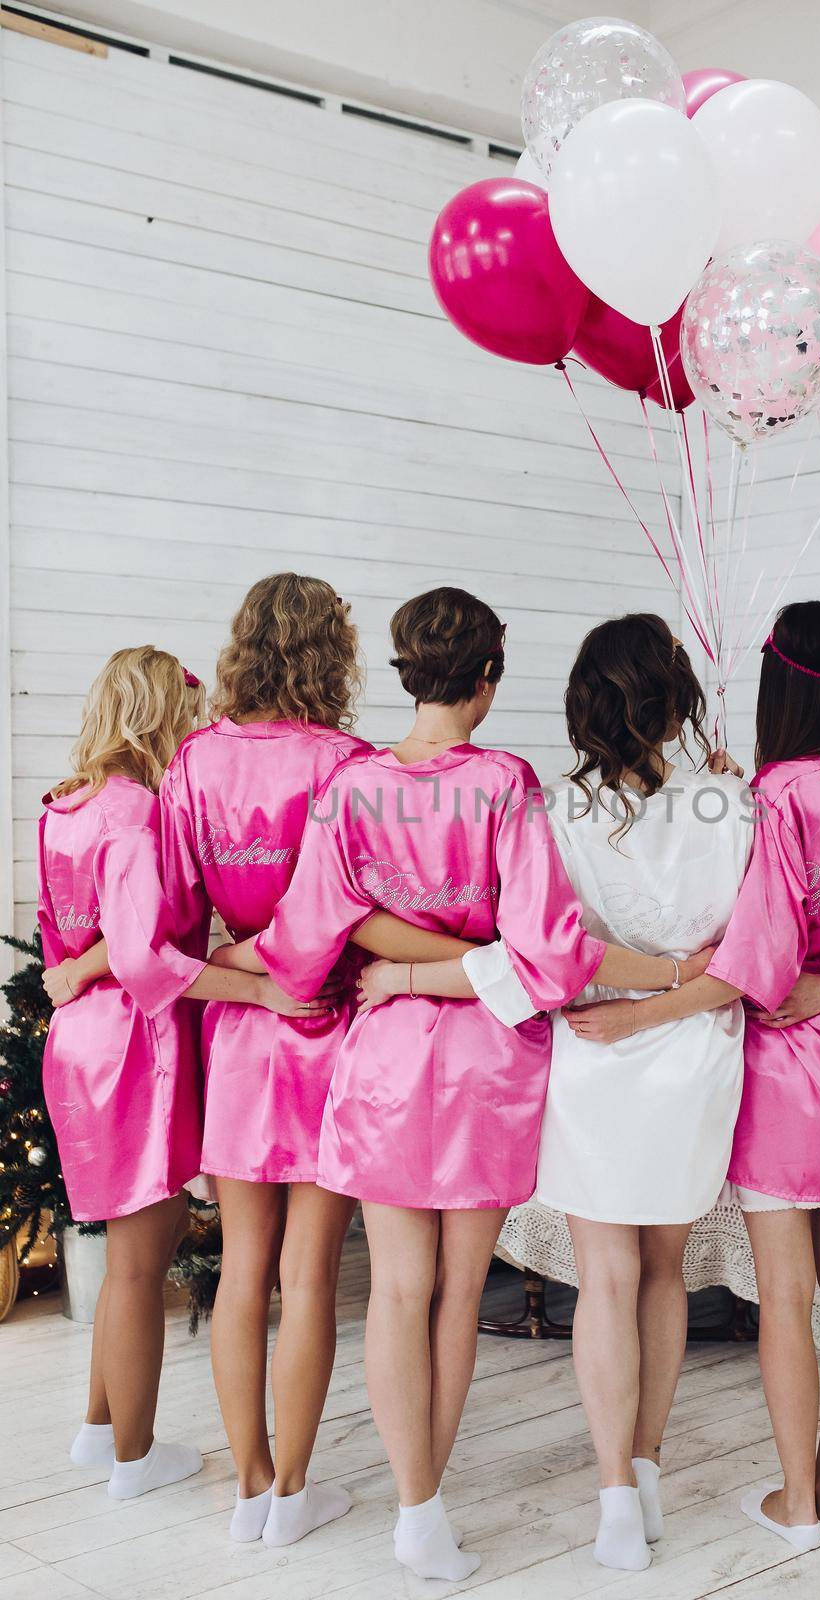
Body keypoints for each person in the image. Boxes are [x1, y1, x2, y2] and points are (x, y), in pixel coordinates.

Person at [222, 587, 713, 1580]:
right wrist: (482, 945)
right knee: (453, 1296)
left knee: (397, 1291)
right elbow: (548, 953)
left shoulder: (351, 787)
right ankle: (426, 1506)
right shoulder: (504, 783)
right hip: (488, 1063)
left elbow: (307, 936)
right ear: (487, 678)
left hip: (384, 1063)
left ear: (407, 674)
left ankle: (417, 1510)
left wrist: (235, 956)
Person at [574, 600, 820, 1549]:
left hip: (783, 1062)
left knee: (786, 1297)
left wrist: (637, 1015)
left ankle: (796, 1505)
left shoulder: (774, 797)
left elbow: (750, 963)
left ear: (777, 683)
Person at [159, 573, 482, 1547]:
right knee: (309, 1272)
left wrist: (237, 968)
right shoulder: (348, 762)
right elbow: (351, 912)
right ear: (330, 654)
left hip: (240, 1031)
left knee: (241, 1266)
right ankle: (295, 1489)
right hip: (333, 1022)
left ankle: (251, 1486)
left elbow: (170, 935)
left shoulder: (191, 762)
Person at [473, 614, 752, 1571]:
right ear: (674, 699)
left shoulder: (551, 810)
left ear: (585, 701)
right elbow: (751, 950)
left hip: (593, 1044)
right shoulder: (733, 803)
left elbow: (550, 951)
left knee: (606, 1280)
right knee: (664, 1274)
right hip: (697, 1049)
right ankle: (650, 1466)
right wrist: (681, 981)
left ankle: (613, 1501)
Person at [39, 647, 331, 1501]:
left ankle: (99, 1430)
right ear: (164, 716)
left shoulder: (64, 806)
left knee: (118, 1241)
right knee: (138, 1261)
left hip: (77, 1039)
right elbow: (144, 955)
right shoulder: (136, 812)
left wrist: (79, 970)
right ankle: (134, 1459)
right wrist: (260, 989)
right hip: (136, 1039)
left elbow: (78, 939)